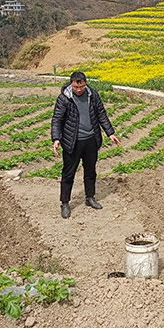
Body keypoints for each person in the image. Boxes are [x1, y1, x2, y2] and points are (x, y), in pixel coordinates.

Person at [51, 71, 120, 219]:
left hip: (91, 140)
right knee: (68, 173)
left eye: (81, 86)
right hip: (72, 142)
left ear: (85, 83)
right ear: (71, 84)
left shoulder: (92, 94)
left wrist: (110, 133)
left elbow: (101, 114)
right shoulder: (64, 99)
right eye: (76, 87)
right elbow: (57, 119)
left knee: (90, 171)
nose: (79, 90)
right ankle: (65, 203)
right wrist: (56, 139)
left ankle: (90, 197)